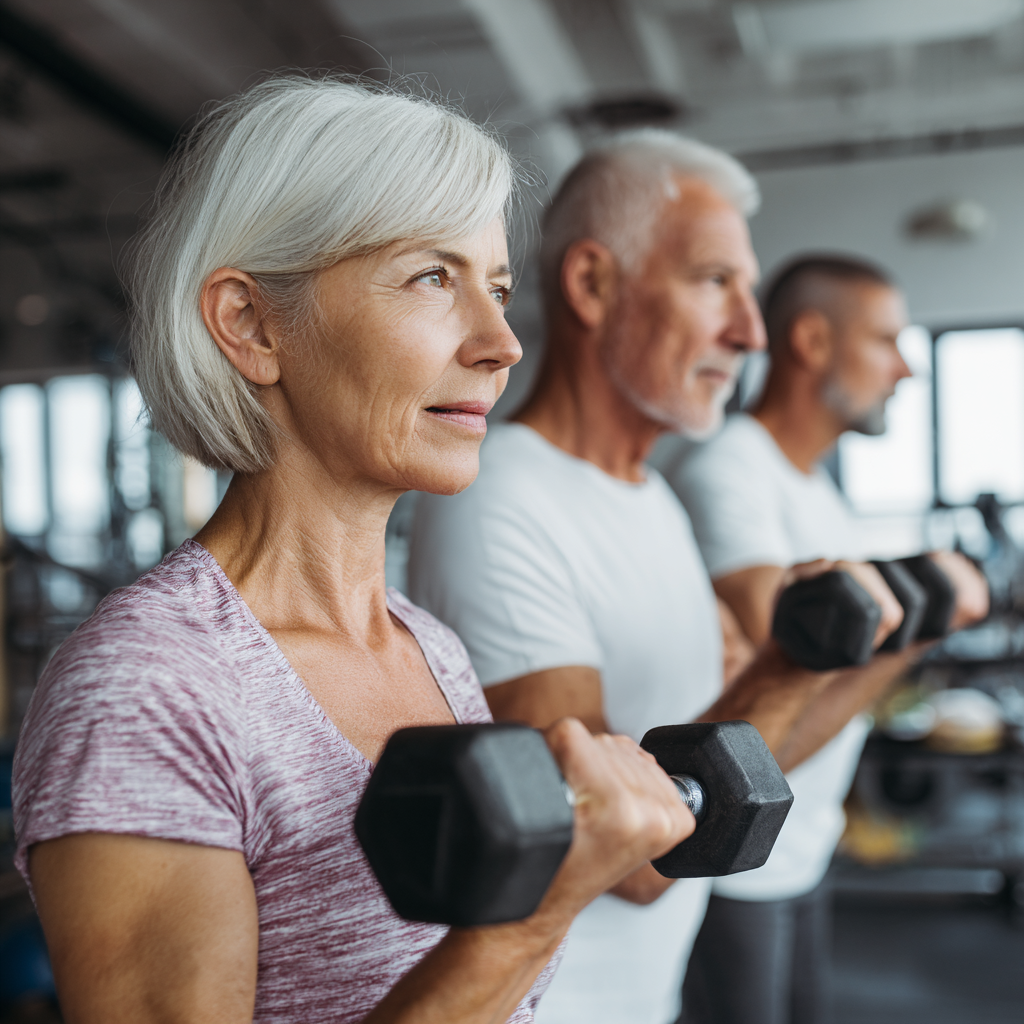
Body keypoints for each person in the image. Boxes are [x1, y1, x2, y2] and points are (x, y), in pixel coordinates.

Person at [11, 77, 698, 1024]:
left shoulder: (429, 648)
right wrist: (533, 919)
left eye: (497, 288)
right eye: (433, 278)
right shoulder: (148, 688)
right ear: (251, 324)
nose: (501, 342)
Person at [407, 134, 915, 1024]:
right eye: (715, 281)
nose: (750, 332)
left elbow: (737, 734)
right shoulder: (502, 498)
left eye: (748, 291)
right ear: (593, 284)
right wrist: (791, 663)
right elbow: (633, 860)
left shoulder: (653, 499)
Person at [665, 254, 988, 1024]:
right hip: (734, 864)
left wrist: (913, 619)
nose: (906, 369)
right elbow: (781, 697)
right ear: (811, 341)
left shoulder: (815, 490)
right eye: (885, 340)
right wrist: (925, 623)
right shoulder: (729, 471)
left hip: (801, 844)